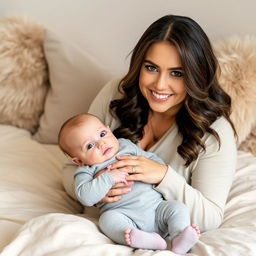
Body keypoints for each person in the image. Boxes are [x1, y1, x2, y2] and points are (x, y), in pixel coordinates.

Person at [63, 14, 237, 251]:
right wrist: (98, 191)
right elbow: (71, 169)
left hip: (160, 219)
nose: (160, 85)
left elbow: (211, 216)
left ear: (197, 75)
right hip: (116, 223)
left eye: (177, 73)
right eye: (151, 68)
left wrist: (163, 175)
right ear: (139, 65)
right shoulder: (116, 94)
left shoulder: (215, 132)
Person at [58, 113, 200, 254]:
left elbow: (150, 159)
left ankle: (180, 237)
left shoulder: (125, 146)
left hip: (157, 209)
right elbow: (85, 196)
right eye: (89, 145)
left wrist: (157, 169)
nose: (101, 143)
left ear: (108, 129)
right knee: (107, 220)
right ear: (79, 161)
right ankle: (145, 240)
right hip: (124, 216)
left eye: (102, 134)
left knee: (177, 207)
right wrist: (107, 178)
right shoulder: (86, 171)